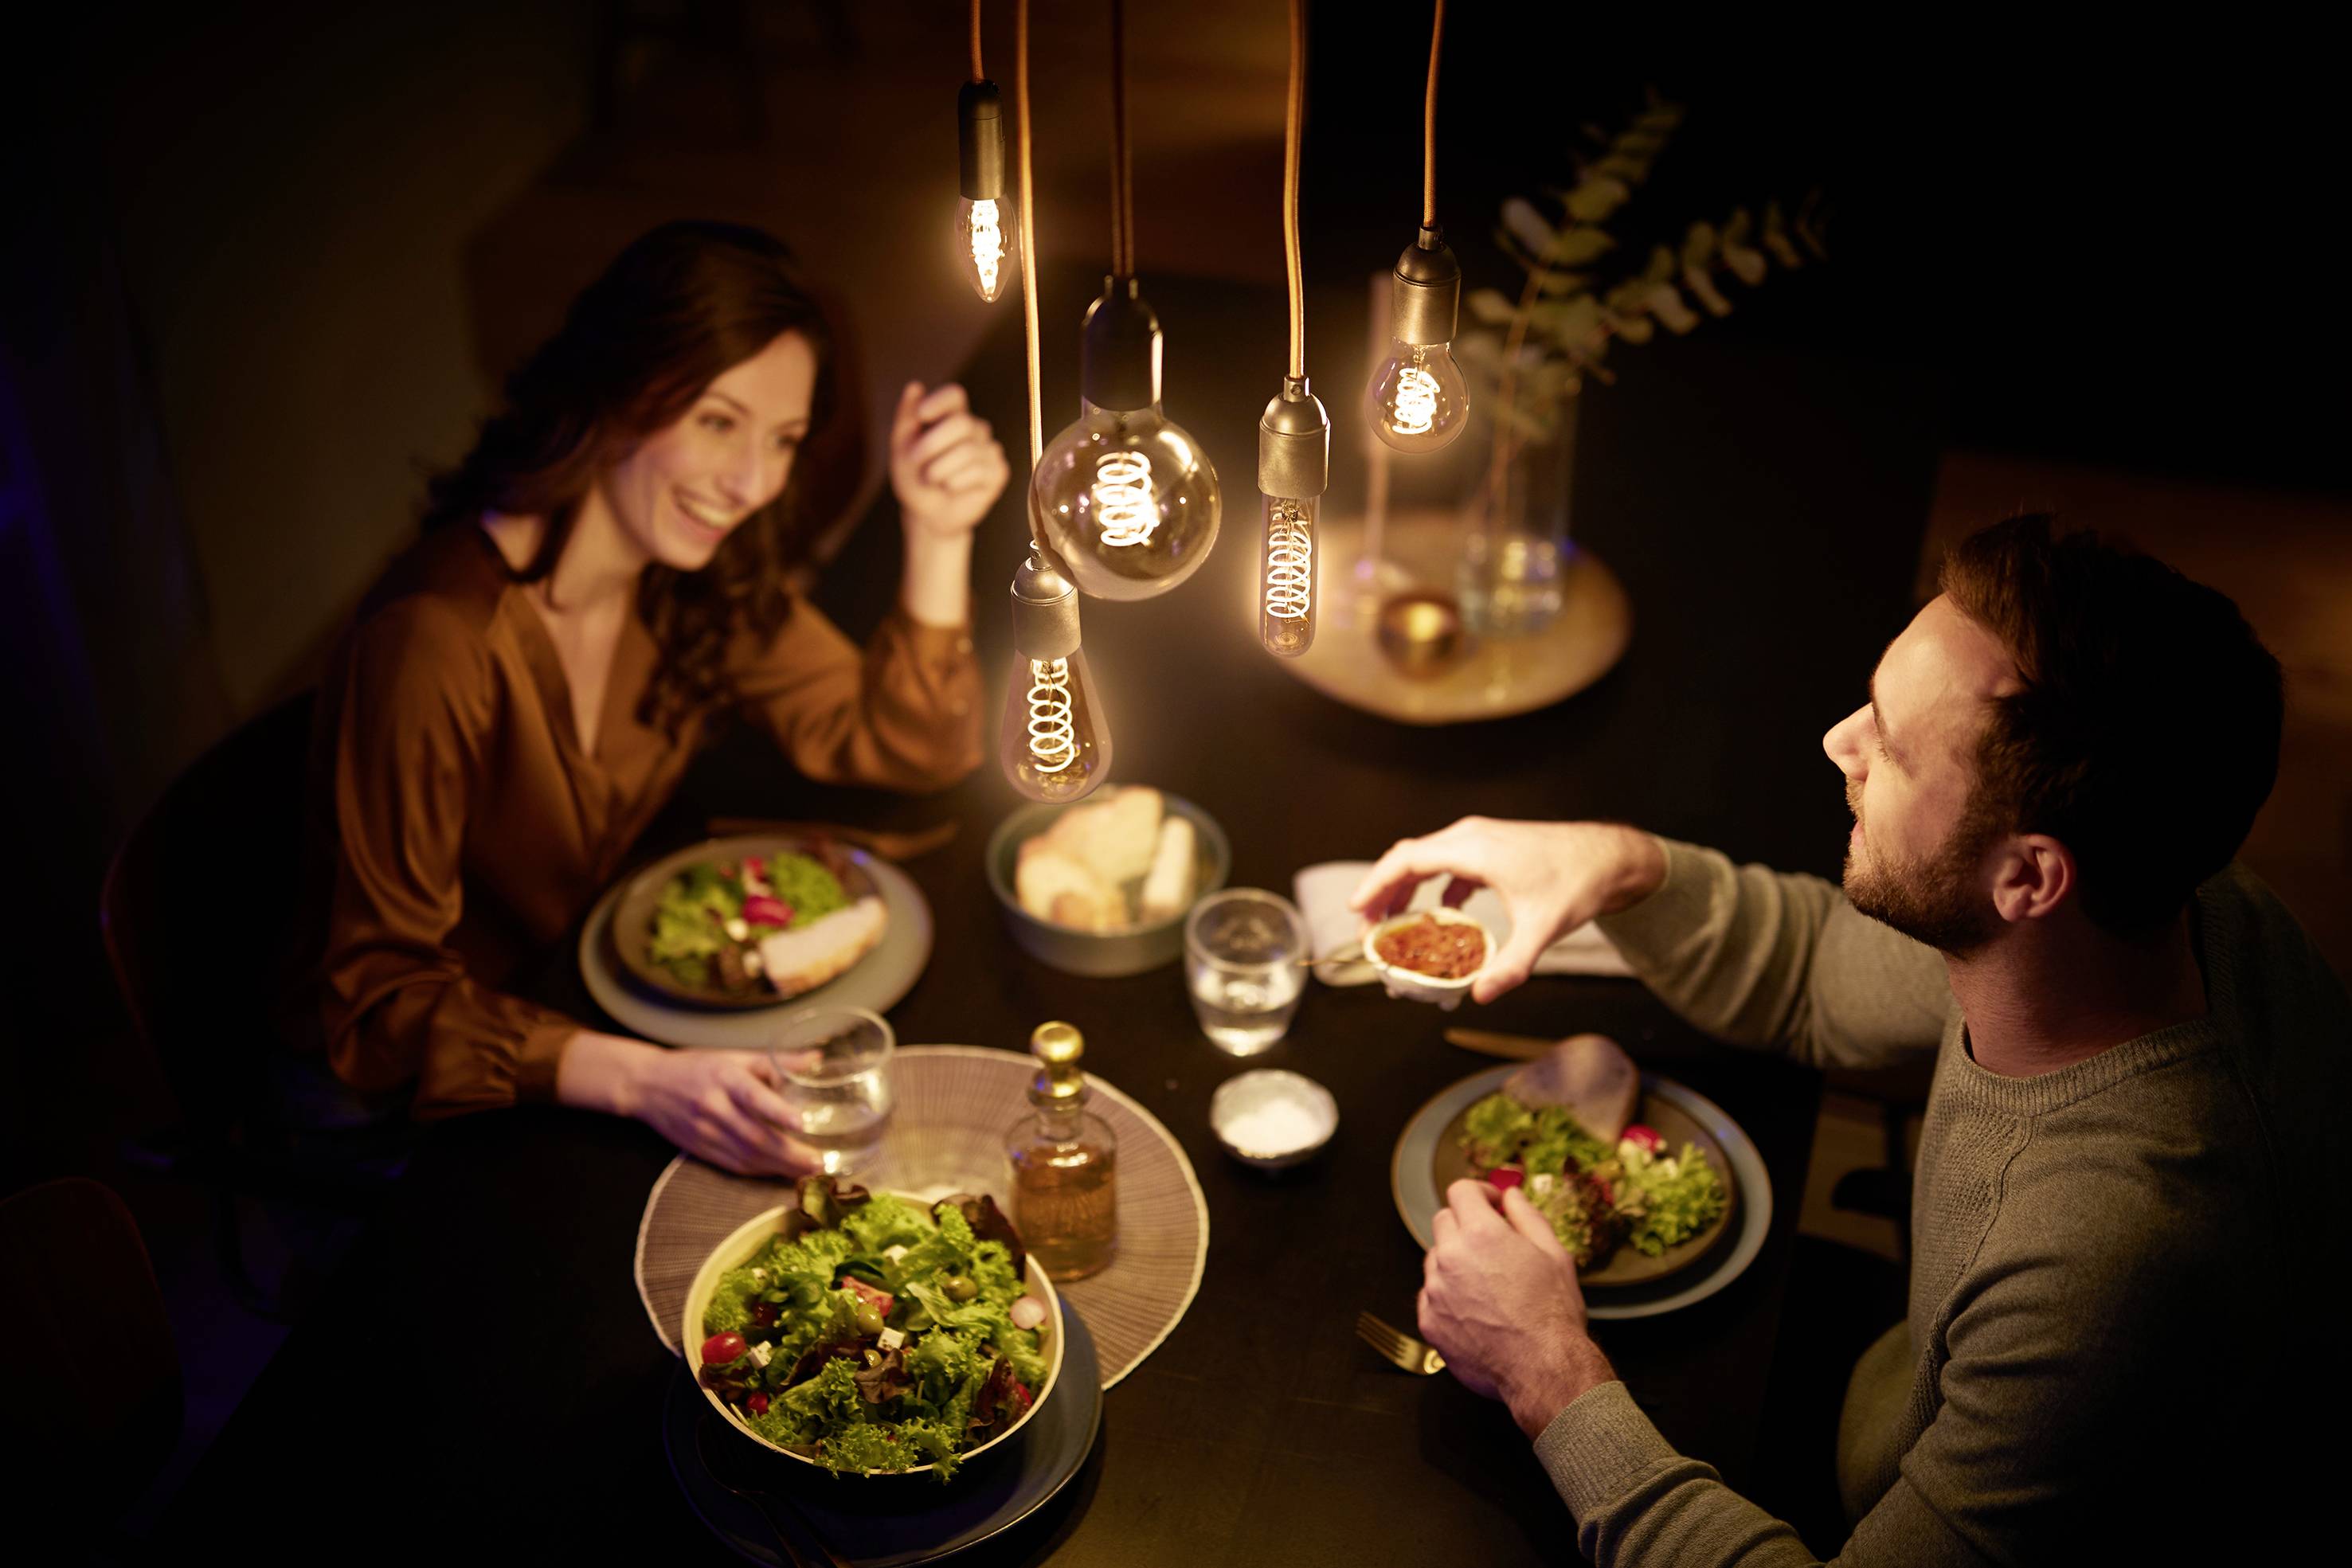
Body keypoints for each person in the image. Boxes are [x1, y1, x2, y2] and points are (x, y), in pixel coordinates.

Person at [1352, 515, 2348, 1562]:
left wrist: (1547, 1372)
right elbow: (1819, 978)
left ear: (2027, 875)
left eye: (1891, 745)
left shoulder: (2111, 1264)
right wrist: (1619, 865)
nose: (1838, 743)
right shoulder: (2124, 902)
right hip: (1895, 1391)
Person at [292, 221, 1007, 1174]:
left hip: (598, 1011)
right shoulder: (435, 641)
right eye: (716, 422)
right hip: (436, 1107)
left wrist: (939, 535)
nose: (752, 483)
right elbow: (379, 1009)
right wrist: (641, 1081)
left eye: (784, 440)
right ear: (617, 387)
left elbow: (910, 747)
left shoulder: (692, 575)